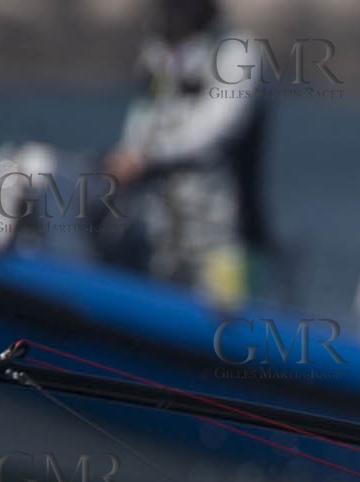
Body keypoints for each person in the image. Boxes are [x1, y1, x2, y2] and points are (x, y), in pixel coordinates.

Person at [100, 0, 271, 305]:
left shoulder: (240, 52)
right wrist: (125, 156)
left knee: (227, 332)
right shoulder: (157, 53)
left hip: (228, 241)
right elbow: (142, 118)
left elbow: (217, 127)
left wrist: (145, 156)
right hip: (159, 235)